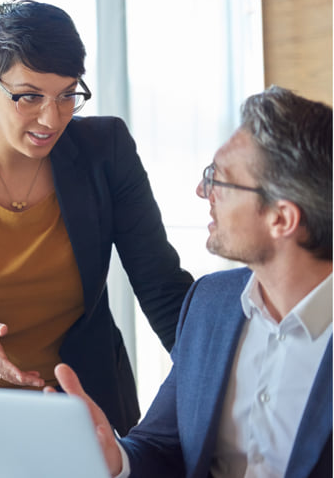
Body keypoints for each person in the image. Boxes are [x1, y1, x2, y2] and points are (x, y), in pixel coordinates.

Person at [0, 0, 193, 442]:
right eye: (29, 96)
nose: (52, 118)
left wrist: (221, 384)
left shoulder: (106, 151)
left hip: (76, 406)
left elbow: (161, 287)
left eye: (68, 94)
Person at [51, 86, 332, 477]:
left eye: (221, 179)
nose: (203, 191)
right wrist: (117, 457)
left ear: (281, 218)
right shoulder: (209, 303)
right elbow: (161, 446)